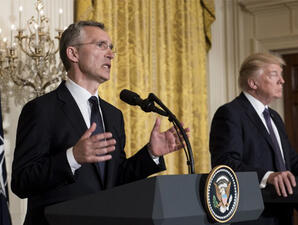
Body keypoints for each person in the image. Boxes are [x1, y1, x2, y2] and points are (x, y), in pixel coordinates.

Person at [11, 21, 188, 225]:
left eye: (111, 47)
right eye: (100, 45)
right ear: (73, 54)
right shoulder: (42, 109)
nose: (110, 54)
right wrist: (72, 157)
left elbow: (116, 181)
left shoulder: (113, 115)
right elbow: (22, 182)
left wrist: (151, 154)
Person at [209, 52, 298, 225]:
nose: (282, 81)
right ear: (253, 83)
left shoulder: (275, 117)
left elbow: (291, 161)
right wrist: (268, 177)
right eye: (274, 75)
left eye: (281, 75)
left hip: (283, 215)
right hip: (254, 217)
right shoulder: (230, 113)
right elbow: (226, 164)